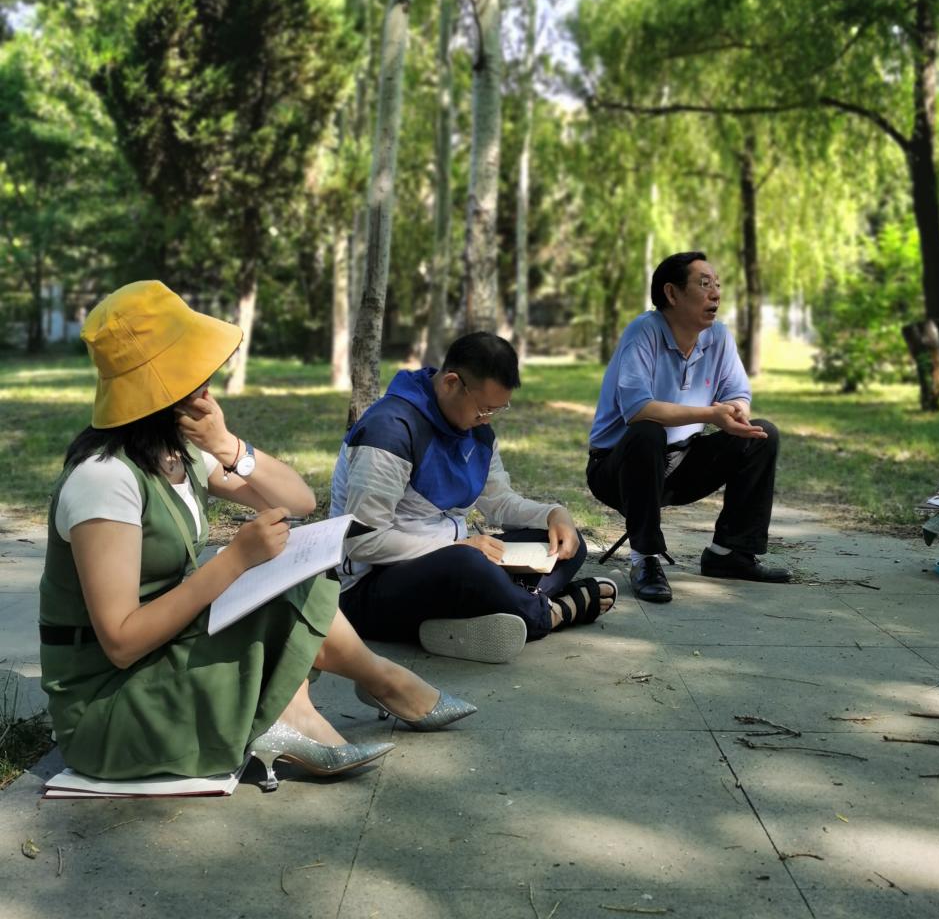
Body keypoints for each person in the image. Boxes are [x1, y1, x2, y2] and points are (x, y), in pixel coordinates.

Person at [38, 281, 475, 792]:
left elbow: (298, 500)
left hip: (165, 656)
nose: (209, 381)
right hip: (111, 707)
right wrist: (234, 562)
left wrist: (228, 445)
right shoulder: (104, 478)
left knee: (294, 570)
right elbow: (120, 642)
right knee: (269, 578)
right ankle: (353, 693)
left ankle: (362, 686)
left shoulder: (176, 453)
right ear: (167, 386)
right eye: (197, 369)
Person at [330, 332, 617, 664]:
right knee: (469, 566)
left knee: (567, 544)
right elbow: (363, 542)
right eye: (483, 409)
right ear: (451, 383)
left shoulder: (476, 431)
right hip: (369, 589)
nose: (487, 419)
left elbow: (500, 502)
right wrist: (455, 547)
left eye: (497, 410)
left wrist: (554, 514)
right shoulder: (390, 430)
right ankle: (547, 614)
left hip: (454, 562)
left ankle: (492, 610)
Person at [586, 251, 790, 603]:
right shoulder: (644, 332)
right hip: (618, 468)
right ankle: (645, 559)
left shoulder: (718, 337)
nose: (716, 293)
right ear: (672, 293)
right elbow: (637, 410)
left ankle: (730, 553)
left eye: (718, 285)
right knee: (648, 430)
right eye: (704, 283)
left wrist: (737, 413)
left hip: (681, 462)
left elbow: (738, 393)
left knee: (762, 435)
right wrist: (710, 415)